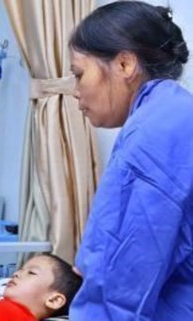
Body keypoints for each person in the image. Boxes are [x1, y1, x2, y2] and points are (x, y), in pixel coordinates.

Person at [68, 1, 192, 320]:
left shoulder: (153, 133)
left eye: (79, 74)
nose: (74, 91)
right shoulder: (176, 114)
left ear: (124, 64)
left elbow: (120, 283)